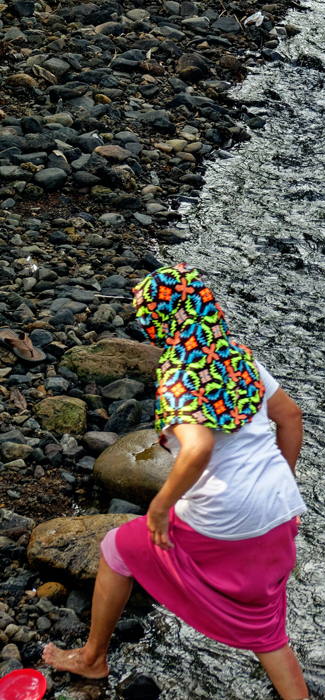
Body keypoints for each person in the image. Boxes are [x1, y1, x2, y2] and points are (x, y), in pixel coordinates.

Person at [43, 264, 310, 700]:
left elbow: (199, 446)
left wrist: (161, 505)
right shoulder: (241, 358)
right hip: (280, 506)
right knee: (266, 628)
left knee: (118, 549)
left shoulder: (180, 375)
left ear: (160, 322)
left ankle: (93, 658)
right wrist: (278, 479)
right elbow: (291, 417)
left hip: (225, 514)